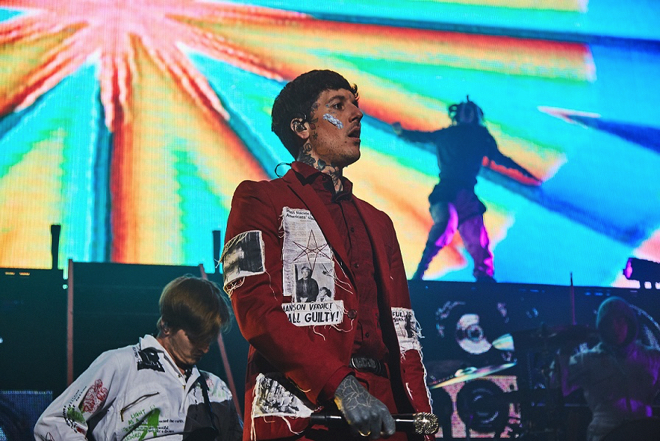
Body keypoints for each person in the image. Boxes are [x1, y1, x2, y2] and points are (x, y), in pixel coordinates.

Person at [221, 70, 433, 441]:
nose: (357, 114)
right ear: (302, 127)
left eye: (355, 104)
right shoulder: (258, 200)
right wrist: (341, 386)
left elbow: (403, 330)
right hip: (304, 415)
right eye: (338, 105)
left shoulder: (379, 222)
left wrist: (423, 420)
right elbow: (255, 310)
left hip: (387, 412)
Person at [34, 275, 243, 441]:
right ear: (166, 325)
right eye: (195, 338)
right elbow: (55, 422)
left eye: (209, 339)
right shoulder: (121, 365)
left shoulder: (216, 389)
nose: (204, 348)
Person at [392, 97, 541, 282]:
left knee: (477, 237)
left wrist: (524, 173)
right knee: (446, 222)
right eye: (465, 110)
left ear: (476, 115)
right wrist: (402, 133)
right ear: (459, 114)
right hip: (446, 191)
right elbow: (423, 137)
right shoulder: (448, 134)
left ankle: (484, 277)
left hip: (466, 195)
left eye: (471, 110)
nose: (467, 113)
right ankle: (420, 273)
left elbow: (500, 158)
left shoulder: (481, 137)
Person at [556, 297, 660, 441]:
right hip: (605, 433)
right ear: (601, 327)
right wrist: (565, 351)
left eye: (620, 320)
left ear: (630, 323)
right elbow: (559, 387)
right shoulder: (588, 360)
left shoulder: (652, 357)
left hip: (644, 433)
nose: (614, 327)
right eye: (608, 323)